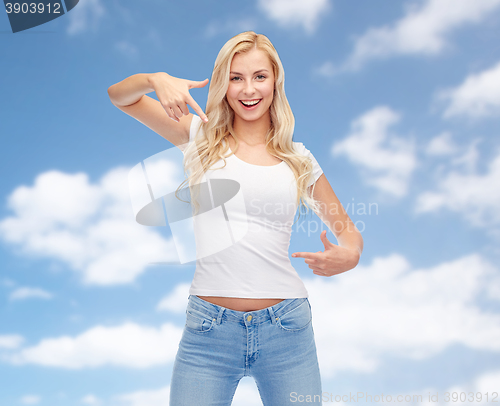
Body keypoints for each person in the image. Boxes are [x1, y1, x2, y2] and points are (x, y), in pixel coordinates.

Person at [108, 31, 363, 406]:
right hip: (208, 333)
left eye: (259, 76)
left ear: (275, 80)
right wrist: (154, 80)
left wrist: (350, 255)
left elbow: (349, 233)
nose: (248, 89)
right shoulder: (198, 137)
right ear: (223, 84)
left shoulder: (299, 159)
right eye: (236, 77)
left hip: (287, 330)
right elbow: (120, 97)